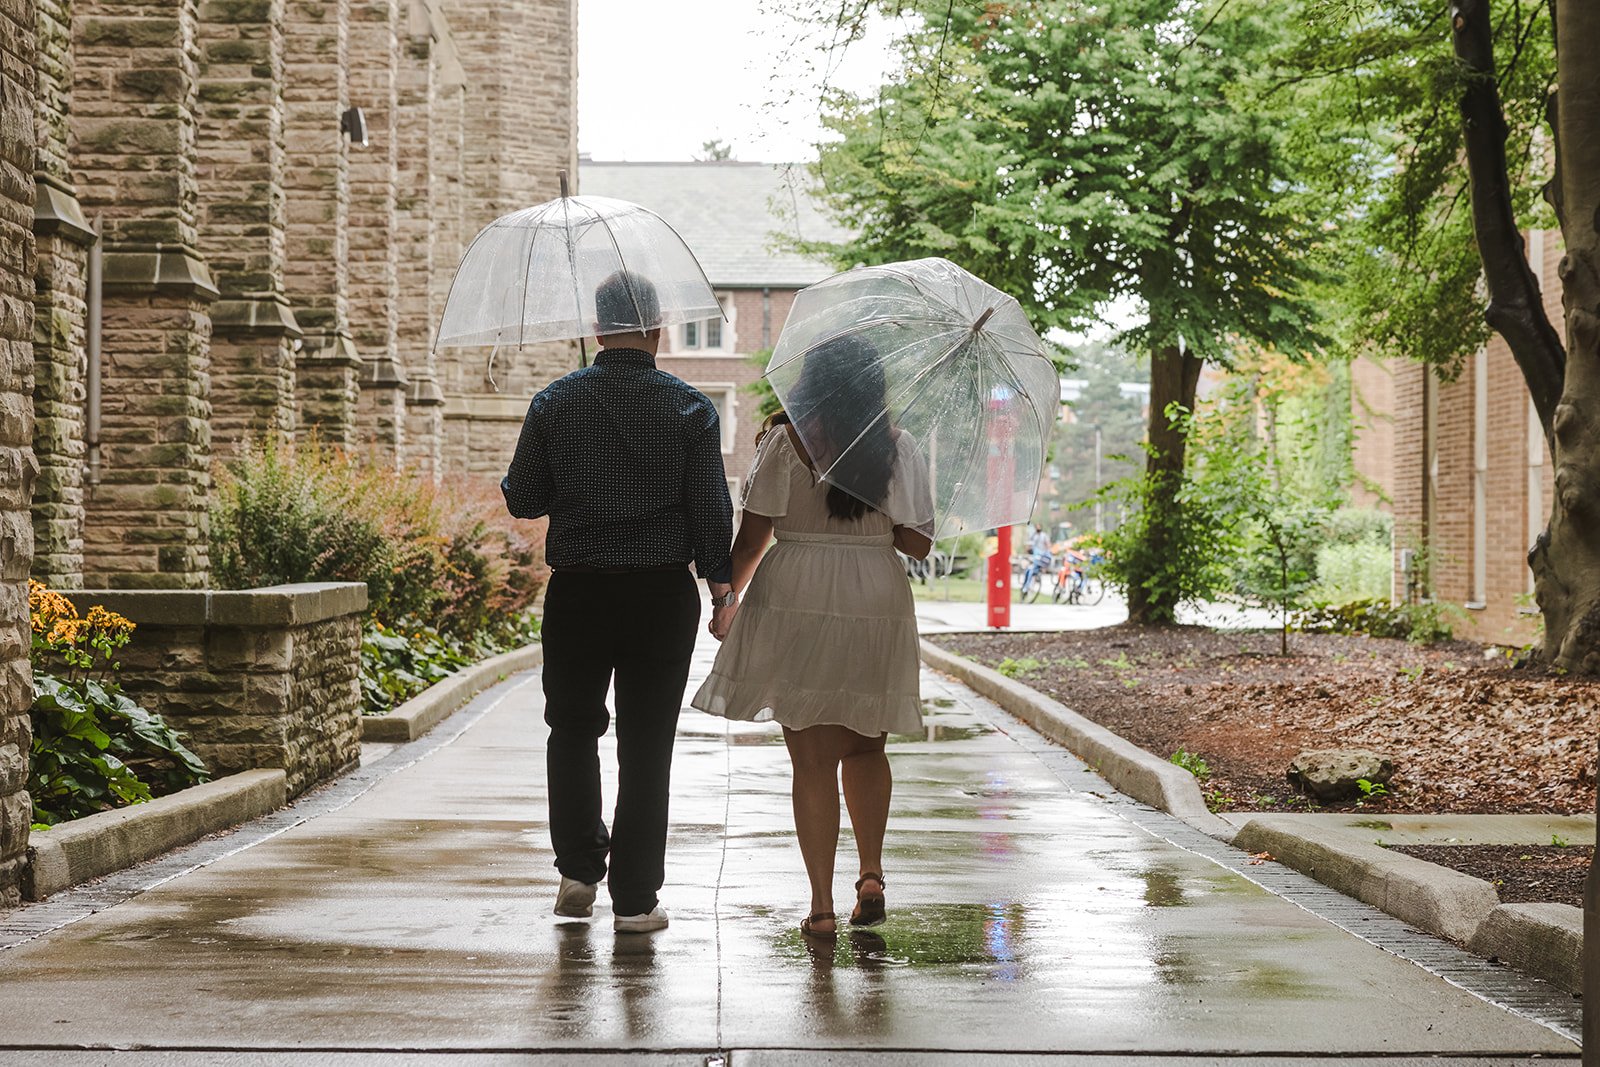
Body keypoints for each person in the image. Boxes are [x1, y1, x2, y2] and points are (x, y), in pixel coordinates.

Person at [502, 269, 738, 934]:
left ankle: (578, 870)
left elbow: (524, 498)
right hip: (662, 594)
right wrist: (722, 590)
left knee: (572, 727)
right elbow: (707, 512)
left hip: (578, 590)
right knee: (647, 743)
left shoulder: (555, 403)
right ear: (660, 331)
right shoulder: (692, 408)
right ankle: (635, 900)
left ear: (596, 329)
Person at [691, 335, 934, 941]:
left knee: (811, 760)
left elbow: (752, 538)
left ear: (810, 385)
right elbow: (918, 543)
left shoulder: (784, 441)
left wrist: (727, 601)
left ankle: (822, 905)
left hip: (796, 590)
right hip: (875, 592)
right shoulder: (899, 448)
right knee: (867, 745)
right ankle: (871, 875)